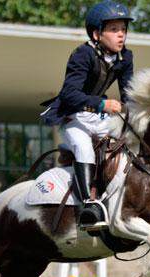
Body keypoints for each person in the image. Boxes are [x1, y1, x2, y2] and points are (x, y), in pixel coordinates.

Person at [41, 0, 134, 231]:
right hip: (73, 116)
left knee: (126, 142)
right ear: (96, 34)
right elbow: (69, 94)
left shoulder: (125, 57)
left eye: (123, 29)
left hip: (98, 118)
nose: (121, 35)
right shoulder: (82, 54)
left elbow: (128, 93)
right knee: (83, 148)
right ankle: (87, 208)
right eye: (114, 30)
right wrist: (103, 104)